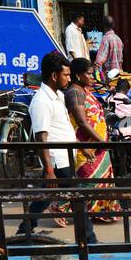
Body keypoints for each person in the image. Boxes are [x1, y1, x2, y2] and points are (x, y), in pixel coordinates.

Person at [17, 51, 93, 243]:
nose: (69, 78)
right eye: (66, 75)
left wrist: (79, 146)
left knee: (42, 198)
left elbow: (62, 129)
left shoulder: (58, 95)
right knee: (78, 202)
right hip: (58, 162)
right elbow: (41, 137)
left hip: (65, 157)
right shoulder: (41, 101)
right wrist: (49, 169)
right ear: (54, 76)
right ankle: (90, 241)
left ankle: (23, 232)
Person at [65, 57, 117, 223]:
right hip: (87, 146)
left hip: (97, 144)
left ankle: (98, 211)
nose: (93, 77)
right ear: (79, 75)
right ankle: (64, 207)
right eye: (89, 74)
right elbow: (81, 122)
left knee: (99, 180)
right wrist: (100, 141)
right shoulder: (74, 92)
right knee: (88, 180)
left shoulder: (83, 90)